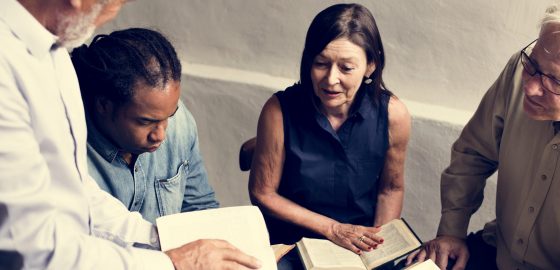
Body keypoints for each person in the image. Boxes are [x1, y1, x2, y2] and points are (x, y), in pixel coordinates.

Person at [0, 1, 260, 269]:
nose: (111, 14)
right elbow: (32, 250)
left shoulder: (55, 55)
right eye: (116, 2)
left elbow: (80, 195)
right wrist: (171, 263)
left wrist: (164, 237)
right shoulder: (6, 70)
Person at [406, 0, 560, 269]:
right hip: (498, 251)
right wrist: (451, 231)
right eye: (532, 65)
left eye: (555, 82)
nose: (530, 87)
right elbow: (473, 154)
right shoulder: (518, 72)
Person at [249, 3, 411, 268]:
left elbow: (391, 189)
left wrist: (378, 251)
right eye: (321, 63)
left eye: (346, 68)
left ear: (371, 65)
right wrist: (333, 229)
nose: (330, 79)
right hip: (292, 245)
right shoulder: (278, 109)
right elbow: (263, 193)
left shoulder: (394, 115)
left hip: (356, 247)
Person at [71, 28, 219, 224]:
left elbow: (201, 209)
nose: (160, 135)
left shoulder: (180, 122)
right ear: (104, 106)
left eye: (169, 116)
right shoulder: (68, 147)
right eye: (146, 122)